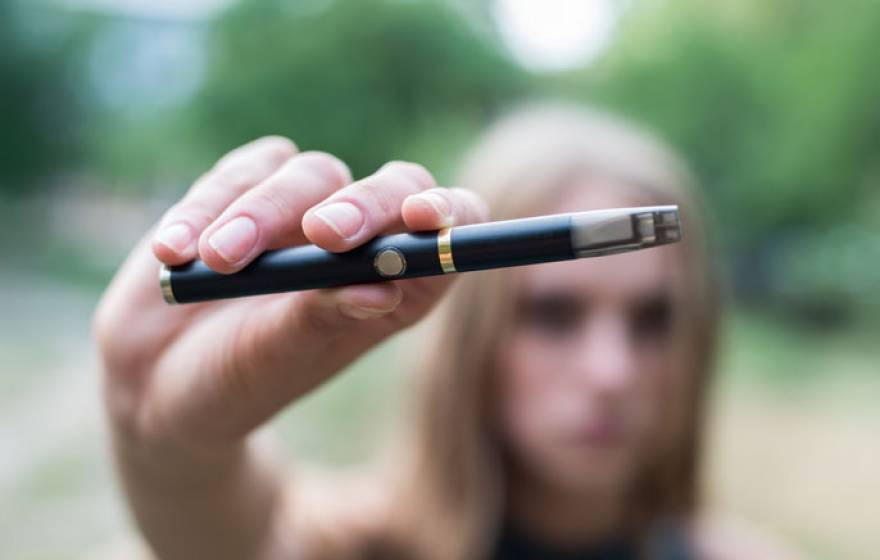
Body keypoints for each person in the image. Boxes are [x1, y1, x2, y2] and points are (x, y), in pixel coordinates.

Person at [94, 104, 799, 559]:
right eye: (553, 315)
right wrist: (170, 445)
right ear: (471, 332)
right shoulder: (349, 545)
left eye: (654, 320)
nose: (611, 372)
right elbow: (215, 527)